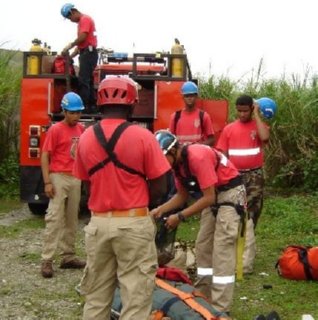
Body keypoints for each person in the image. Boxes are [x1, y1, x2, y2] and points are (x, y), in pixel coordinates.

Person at [73, 76, 170, 320]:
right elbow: (160, 185)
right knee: (135, 297)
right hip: (133, 223)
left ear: (99, 102)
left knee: (96, 296)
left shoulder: (85, 137)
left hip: (98, 225)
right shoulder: (143, 136)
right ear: (132, 103)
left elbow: (87, 185)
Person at [151, 130, 247, 316]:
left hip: (230, 194)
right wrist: (160, 209)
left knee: (222, 249)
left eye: (163, 158)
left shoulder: (197, 157)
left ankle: (220, 307)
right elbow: (182, 196)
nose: (161, 163)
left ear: (173, 151)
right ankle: (203, 297)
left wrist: (179, 217)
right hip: (212, 195)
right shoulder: (177, 167)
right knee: (203, 246)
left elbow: (209, 197)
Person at [216, 94, 270, 274]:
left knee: (252, 213)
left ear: (251, 109)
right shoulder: (229, 129)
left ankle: (246, 254)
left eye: (245, 111)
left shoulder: (258, 125)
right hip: (235, 176)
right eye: (239, 111)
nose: (241, 114)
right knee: (236, 211)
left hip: (254, 176)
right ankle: (236, 251)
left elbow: (265, 137)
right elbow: (222, 154)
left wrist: (256, 113)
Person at [40, 92, 86, 278]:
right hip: (58, 176)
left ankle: (68, 256)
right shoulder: (56, 130)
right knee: (54, 217)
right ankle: (47, 260)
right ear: (65, 112)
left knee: (72, 218)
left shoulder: (81, 130)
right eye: (73, 113)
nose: (76, 116)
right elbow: (45, 155)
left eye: (78, 113)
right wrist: (47, 181)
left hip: (75, 177)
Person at [61, 3, 98, 113]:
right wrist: (71, 56)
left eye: (69, 17)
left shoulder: (84, 20)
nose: (70, 20)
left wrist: (70, 45)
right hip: (87, 52)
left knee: (83, 81)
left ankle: (83, 107)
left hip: (88, 53)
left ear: (72, 12)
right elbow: (81, 45)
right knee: (88, 80)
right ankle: (91, 107)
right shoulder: (83, 22)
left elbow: (83, 38)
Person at [169, 81, 215, 146]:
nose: (189, 98)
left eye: (192, 95)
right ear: (183, 97)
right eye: (187, 96)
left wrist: (198, 147)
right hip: (180, 154)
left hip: (198, 154)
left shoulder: (203, 116)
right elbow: (170, 139)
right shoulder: (175, 116)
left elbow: (212, 139)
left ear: (196, 96)